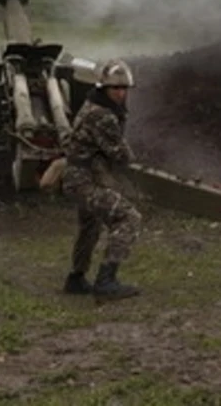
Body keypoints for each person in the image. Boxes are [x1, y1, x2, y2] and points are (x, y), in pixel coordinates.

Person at [59, 58, 142, 302]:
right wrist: (132, 159)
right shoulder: (103, 116)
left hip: (79, 177)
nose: (121, 93)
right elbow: (120, 154)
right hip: (85, 181)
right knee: (128, 218)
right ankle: (106, 281)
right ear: (103, 89)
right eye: (115, 88)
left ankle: (76, 279)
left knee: (90, 225)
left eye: (124, 88)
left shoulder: (91, 105)